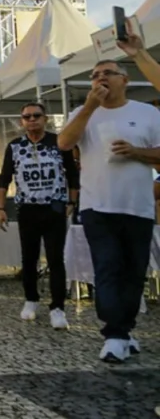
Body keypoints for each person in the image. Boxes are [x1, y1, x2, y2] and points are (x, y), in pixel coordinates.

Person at [58, 59, 160, 363]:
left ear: (124, 79)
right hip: (97, 206)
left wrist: (137, 152)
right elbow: (64, 142)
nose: (100, 78)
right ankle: (114, 334)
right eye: (94, 75)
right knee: (107, 266)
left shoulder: (147, 113)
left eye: (107, 73)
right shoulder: (83, 113)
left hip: (138, 207)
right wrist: (89, 107)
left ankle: (124, 331)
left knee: (133, 271)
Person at [0, 102, 79, 329]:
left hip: (54, 207)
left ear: (45, 118)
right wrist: (1, 208)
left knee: (55, 259)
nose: (32, 120)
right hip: (28, 209)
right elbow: (4, 179)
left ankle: (58, 308)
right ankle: (31, 299)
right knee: (29, 258)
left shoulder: (58, 143)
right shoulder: (15, 146)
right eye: (27, 117)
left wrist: (71, 201)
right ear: (21, 121)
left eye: (36, 116)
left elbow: (73, 175)